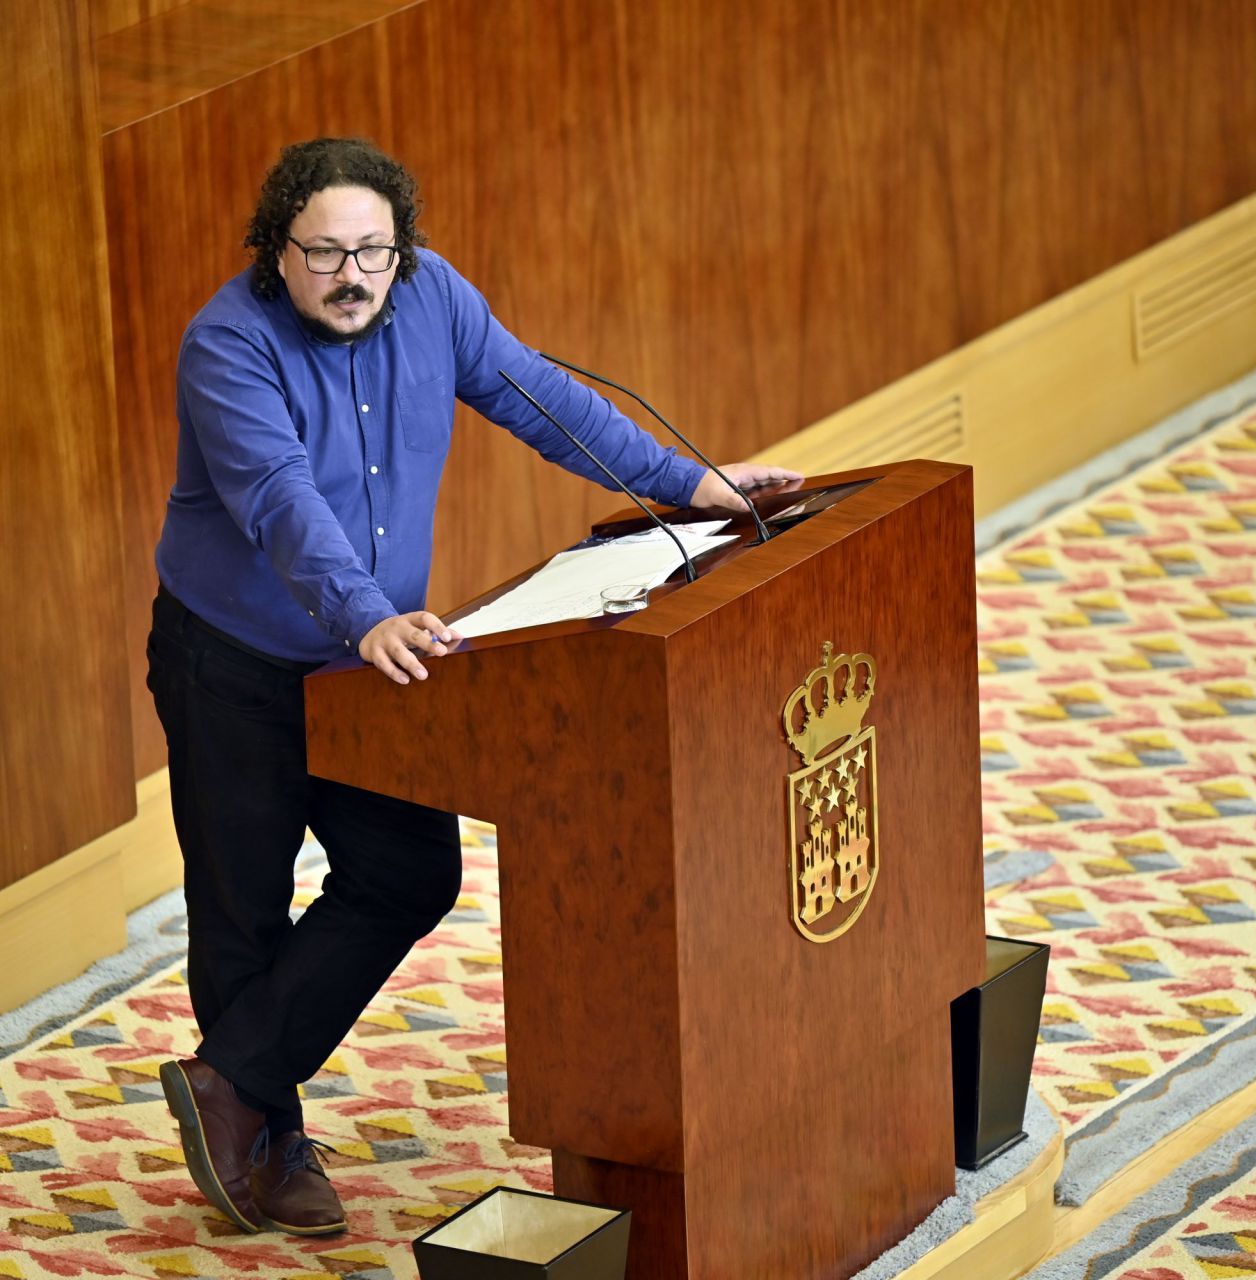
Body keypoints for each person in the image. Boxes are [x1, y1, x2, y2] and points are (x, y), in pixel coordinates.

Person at [147, 136, 798, 1238]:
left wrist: (690, 484)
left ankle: (231, 1080)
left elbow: (544, 399)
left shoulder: (435, 297)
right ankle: (267, 1137)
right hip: (235, 666)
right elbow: (280, 500)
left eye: (374, 251)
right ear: (276, 251)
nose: (352, 276)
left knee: (410, 871)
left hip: (370, 656)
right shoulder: (227, 345)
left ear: (402, 248)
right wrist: (364, 611)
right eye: (324, 253)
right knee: (240, 905)